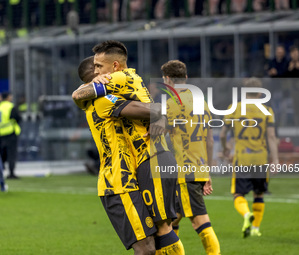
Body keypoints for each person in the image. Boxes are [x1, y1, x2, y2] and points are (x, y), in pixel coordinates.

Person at [73, 41, 185, 254]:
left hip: (138, 170)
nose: (99, 72)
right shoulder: (102, 100)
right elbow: (139, 108)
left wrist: (160, 117)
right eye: (95, 69)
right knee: (147, 247)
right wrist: (160, 113)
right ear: (92, 77)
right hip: (116, 181)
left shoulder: (117, 87)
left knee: (158, 236)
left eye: (100, 67)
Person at [161, 60, 221, 255]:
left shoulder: (171, 104)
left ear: (167, 79)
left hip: (183, 171)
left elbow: (161, 138)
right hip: (198, 168)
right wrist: (207, 171)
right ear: (186, 78)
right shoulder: (202, 102)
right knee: (171, 220)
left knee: (199, 220)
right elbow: (210, 141)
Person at [220, 78, 278, 238]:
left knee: (238, 195)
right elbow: (271, 137)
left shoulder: (234, 108)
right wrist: (276, 160)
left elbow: (223, 133)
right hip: (261, 158)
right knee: (259, 194)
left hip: (242, 158)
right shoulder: (267, 110)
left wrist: (225, 148)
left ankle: (246, 214)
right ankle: (255, 229)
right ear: (260, 93)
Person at [0, 92, 21, 179]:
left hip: (1, 132)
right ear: (8, 97)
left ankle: (0, 170)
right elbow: (18, 118)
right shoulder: (10, 106)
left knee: (2, 153)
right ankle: (11, 172)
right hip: (10, 132)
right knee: (11, 154)